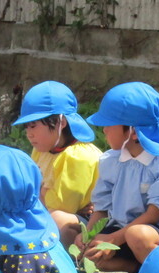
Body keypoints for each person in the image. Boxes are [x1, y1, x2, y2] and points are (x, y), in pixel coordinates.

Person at [81, 82, 159, 273]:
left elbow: (154, 215)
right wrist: (89, 236)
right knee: (90, 253)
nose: (104, 131)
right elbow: (101, 209)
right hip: (122, 230)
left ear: (133, 131)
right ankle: (137, 268)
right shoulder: (110, 160)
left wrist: (114, 240)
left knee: (137, 235)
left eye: (109, 125)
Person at [13, 80, 102, 246]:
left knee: (57, 219)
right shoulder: (41, 149)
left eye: (34, 126)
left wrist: (37, 193)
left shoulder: (78, 156)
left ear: (61, 122)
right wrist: (41, 193)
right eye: (27, 127)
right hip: (47, 210)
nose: (29, 134)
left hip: (88, 221)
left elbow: (61, 206)